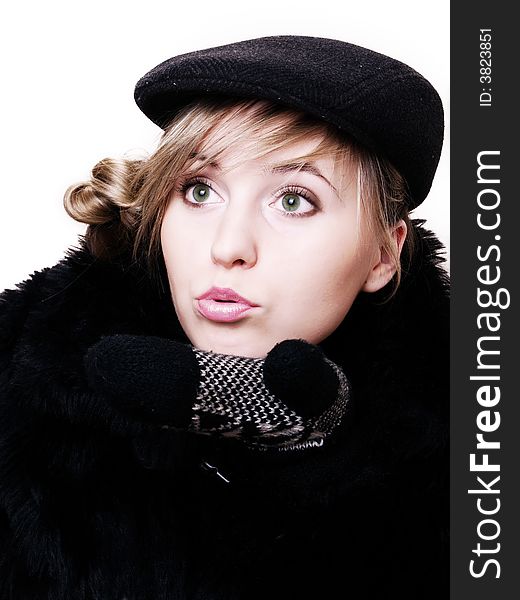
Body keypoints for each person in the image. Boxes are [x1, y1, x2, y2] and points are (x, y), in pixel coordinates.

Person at [0, 36, 449, 599]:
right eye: (199, 190)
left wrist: (326, 470)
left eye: (293, 200)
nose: (228, 246)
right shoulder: (21, 363)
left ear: (384, 253)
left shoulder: (471, 453)